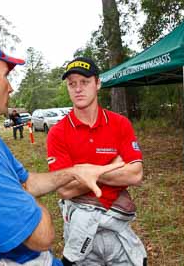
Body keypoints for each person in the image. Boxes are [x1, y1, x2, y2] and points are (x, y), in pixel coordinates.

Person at [0, 32, 124, 266]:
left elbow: (27, 182)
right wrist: (21, 193)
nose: (10, 87)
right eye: (5, 75)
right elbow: (43, 235)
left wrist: (74, 171)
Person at [47, 57, 147, 266]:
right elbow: (65, 190)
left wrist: (83, 172)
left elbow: (135, 174)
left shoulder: (119, 124)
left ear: (98, 83)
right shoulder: (58, 133)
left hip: (117, 228)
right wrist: (113, 166)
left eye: (84, 82)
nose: (78, 89)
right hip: (80, 230)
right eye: (72, 83)